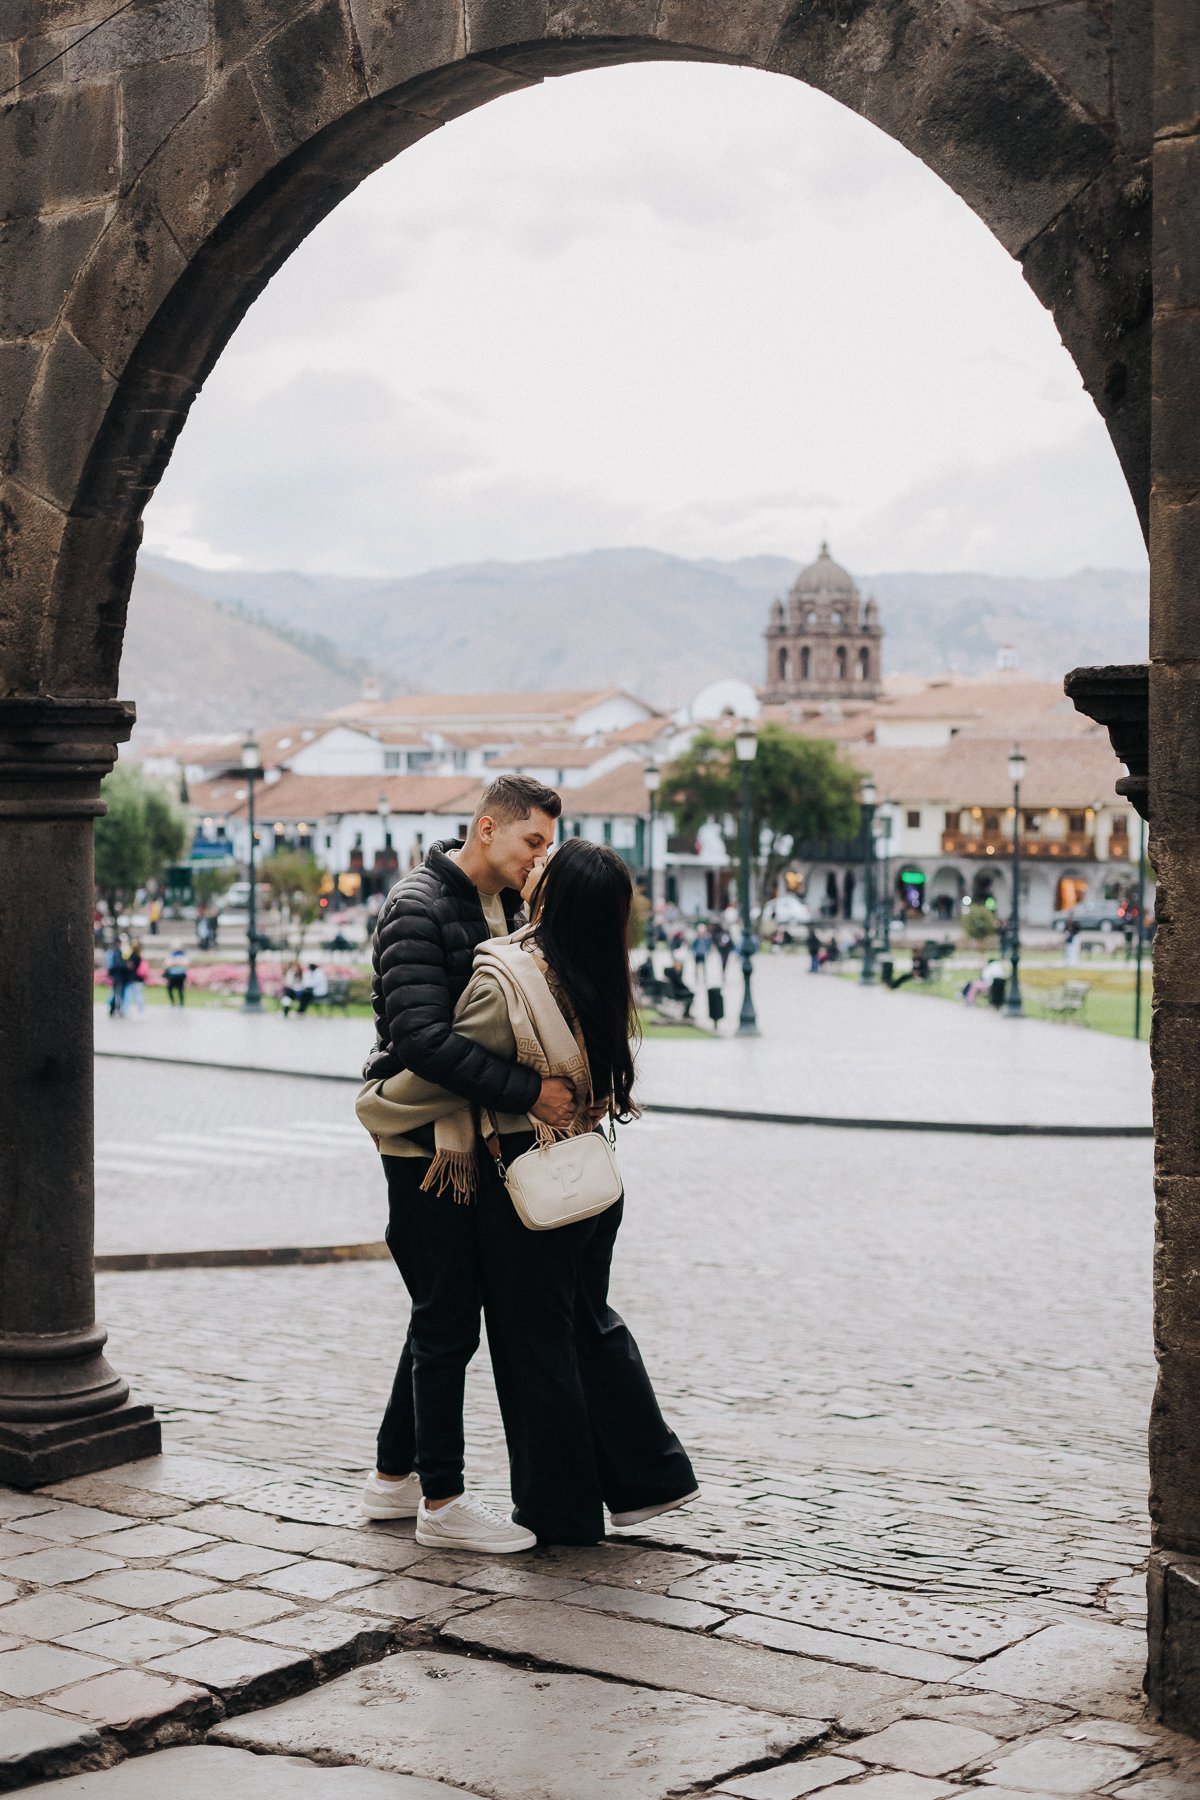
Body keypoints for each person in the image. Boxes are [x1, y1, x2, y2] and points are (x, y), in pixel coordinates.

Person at [359, 836, 697, 1547]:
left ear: (557, 895)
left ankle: (559, 1512)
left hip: (528, 1183)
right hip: (590, 1181)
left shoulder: (511, 975)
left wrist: (378, 1104)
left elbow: (434, 1077)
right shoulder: (602, 967)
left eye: (548, 860)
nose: (532, 864)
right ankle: (647, 1480)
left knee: (531, 1350)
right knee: (583, 1324)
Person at [356, 775, 575, 1554]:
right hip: (424, 1144)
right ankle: (442, 1504)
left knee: (442, 1312)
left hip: (471, 1140)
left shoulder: (512, 905)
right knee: (448, 1319)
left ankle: (391, 1480)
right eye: (533, 843)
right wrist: (531, 1091)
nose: (540, 859)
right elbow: (421, 1039)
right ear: (488, 829)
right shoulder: (418, 904)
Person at [105, 939, 128, 1016]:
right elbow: (118, 964)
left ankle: (114, 1008)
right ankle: (115, 1008)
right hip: (118, 976)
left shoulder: (114, 952)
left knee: (116, 993)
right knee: (118, 993)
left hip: (117, 975)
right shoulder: (117, 953)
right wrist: (126, 965)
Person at [124, 940, 147, 1015]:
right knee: (138, 994)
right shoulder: (140, 956)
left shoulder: (133, 956)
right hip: (139, 978)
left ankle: (127, 1009)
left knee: (130, 994)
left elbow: (130, 966)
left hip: (133, 978)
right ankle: (141, 1010)